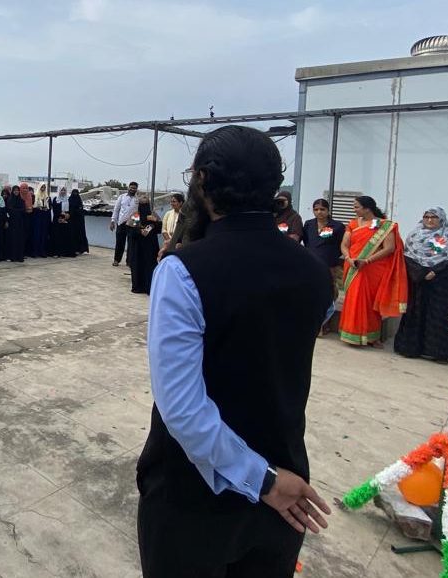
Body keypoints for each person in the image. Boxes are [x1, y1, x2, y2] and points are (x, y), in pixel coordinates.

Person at [137, 125, 333, 577]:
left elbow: (182, 409)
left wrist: (261, 479)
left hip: (196, 498)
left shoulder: (182, 271)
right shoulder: (313, 271)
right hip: (285, 492)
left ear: (202, 180)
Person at [393, 207, 448, 362]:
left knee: (438, 317)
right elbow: (407, 258)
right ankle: (411, 349)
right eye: (427, 217)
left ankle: (437, 352)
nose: (430, 220)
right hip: (418, 283)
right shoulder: (415, 235)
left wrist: (435, 271)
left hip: (440, 287)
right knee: (415, 314)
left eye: (434, 217)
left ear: (441, 219)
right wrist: (421, 273)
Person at [339, 195, 408, 347]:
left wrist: (367, 261)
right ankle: (351, 333)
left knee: (369, 303)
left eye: (356, 207)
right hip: (353, 266)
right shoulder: (353, 224)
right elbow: (344, 244)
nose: (354, 209)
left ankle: (371, 336)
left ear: (367, 208)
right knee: (353, 299)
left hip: (372, 268)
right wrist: (348, 258)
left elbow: (389, 248)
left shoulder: (384, 225)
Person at [302, 199, 347, 335]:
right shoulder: (309, 224)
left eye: (322, 209)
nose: (319, 212)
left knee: (329, 293)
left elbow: (341, 245)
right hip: (311, 265)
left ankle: (325, 323)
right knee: (311, 292)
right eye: (316, 209)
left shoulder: (337, 226)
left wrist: (329, 255)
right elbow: (307, 242)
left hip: (329, 265)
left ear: (328, 210)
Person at [129, 194, 162, 294]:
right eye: (142, 205)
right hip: (138, 246)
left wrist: (154, 222)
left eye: (146, 204)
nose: (144, 207)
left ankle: (149, 287)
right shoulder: (136, 215)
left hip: (150, 246)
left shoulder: (153, 215)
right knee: (138, 266)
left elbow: (159, 228)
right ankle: (138, 287)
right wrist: (140, 231)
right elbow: (131, 231)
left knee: (150, 266)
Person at [110, 182, 139, 267]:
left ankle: (129, 261)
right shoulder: (122, 197)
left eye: (134, 188)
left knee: (131, 244)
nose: (132, 189)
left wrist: (137, 224)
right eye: (131, 187)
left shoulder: (138, 199)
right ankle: (116, 260)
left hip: (133, 223)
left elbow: (139, 212)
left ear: (136, 189)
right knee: (119, 242)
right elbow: (116, 210)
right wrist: (113, 221)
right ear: (128, 188)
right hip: (121, 222)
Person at [49, 186, 74, 258]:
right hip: (57, 220)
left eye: (64, 190)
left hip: (66, 219)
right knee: (57, 236)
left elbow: (70, 210)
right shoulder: (56, 199)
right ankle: (56, 253)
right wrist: (60, 217)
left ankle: (64, 253)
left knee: (65, 236)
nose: (63, 192)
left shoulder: (68, 199)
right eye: (61, 190)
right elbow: (54, 210)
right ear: (59, 191)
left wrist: (67, 216)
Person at [6, 185, 27, 263]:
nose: (16, 192)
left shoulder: (21, 200)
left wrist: (15, 211)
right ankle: (13, 256)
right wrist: (18, 211)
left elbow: (23, 210)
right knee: (12, 239)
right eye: (15, 190)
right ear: (12, 191)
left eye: (17, 190)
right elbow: (9, 210)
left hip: (20, 223)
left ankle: (19, 256)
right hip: (12, 222)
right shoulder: (9, 200)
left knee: (19, 239)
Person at [29, 183, 51, 258]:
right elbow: (33, 206)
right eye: (42, 187)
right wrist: (38, 208)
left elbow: (49, 207)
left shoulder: (47, 197)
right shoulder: (35, 196)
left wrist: (45, 209)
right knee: (36, 235)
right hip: (37, 217)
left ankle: (42, 251)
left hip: (44, 217)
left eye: (44, 187)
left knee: (43, 235)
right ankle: (34, 252)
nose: (43, 188)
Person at [69, 188, 89, 255]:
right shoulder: (70, 200)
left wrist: (77, 210)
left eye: (76, 193)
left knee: (81, 234)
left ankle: (82, 249)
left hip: (80, 221)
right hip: (72, 221)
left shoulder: (79, 200)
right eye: (74, 193)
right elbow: (70, 209)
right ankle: (74, 249)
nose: (75, 194)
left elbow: (81, 209)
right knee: (73, 235)